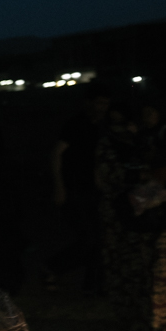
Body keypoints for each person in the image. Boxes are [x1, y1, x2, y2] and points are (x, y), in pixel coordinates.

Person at [95, 106, 166, 331]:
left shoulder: (149, 141)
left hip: (148, 216)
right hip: (121, 216)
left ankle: (152, 322)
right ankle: (133, 321)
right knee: (125, 270)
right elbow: (106, 178)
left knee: (149, 270)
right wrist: (142, 176)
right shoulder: (109, 145)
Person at [45, 84, 112, 293]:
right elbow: (56, 154)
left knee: (98, 238)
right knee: (87, 238)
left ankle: (92, 285)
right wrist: (59, 186)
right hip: (74, 188)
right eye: (99, 103)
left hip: (92, 190)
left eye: (105, 103)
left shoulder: (101, 127)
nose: (102, 107)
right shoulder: (76, 124)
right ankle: (52, 267)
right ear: (89, 103)